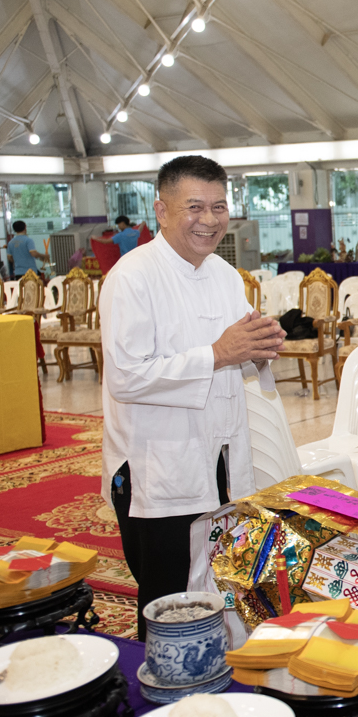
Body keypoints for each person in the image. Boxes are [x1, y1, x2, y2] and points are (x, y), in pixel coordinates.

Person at [99, 156, 285, 640]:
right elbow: (126, 378)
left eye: (219, 207)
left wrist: (260, 347)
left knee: (218, 580)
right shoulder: (133, 276)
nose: (209, 219)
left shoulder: (223, 274)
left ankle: (217, 667)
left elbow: (236, 351)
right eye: (195, 207)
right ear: (161, 211)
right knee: (167, 596)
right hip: (159, 467)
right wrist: (218, 354)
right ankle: (163, 680)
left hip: (219, 455)